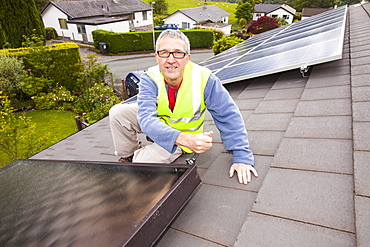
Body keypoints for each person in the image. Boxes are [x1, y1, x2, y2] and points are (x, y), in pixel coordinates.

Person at [109, 29, 258, 185]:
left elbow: (228, 115)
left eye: (178, 53)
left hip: (184, 137)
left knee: (140, 166)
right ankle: (128, 155)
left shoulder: (205, 79)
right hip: (166, 128)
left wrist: (241, 156)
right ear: (157, 57)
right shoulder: (150, 77)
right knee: (118, 112)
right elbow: (145, 118)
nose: (171, 60)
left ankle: (140, 157)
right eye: (164, 53)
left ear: (187, 58)